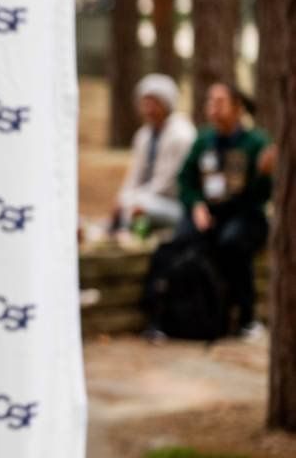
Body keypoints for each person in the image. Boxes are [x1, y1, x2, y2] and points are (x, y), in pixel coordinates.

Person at [174, 80, 274, 337]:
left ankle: (246, 317)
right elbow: (185, 179)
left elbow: (262, 196)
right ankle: (191, 315)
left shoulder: (255, 142)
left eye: (219, 102)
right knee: (185, 238)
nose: (213, 108)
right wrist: (196, 205)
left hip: (246, 216)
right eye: (210, 102)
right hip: (209, 214)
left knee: (232, 242)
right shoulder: (204, 139)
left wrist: (264, 174)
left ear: (237, 107)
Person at [111, 73, 196, 234]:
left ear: (166, 104)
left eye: (153, 104)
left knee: (138, 209)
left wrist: (132, 200)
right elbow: (134, 175)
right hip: (147, 199)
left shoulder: (181, 135)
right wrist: (122, 198)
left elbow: (168, 183)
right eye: (145, 104)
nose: (148, 110)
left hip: (175, 204)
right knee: (125, 207)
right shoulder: (144, 135)